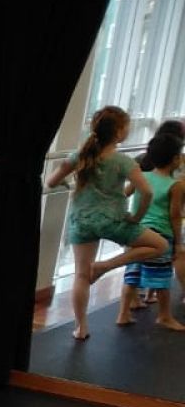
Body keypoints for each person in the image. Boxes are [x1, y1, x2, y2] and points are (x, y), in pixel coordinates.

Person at [46, 106, 169, 340]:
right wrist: (136, 218)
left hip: (82, 221)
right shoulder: (123, 161)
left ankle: (81, 328)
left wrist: (69, 185)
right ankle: (106, 266)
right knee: (160, 245)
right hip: (113, 221)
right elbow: (146, 192)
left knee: (81, 275)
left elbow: (51, 182)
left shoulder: (80, 156)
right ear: (119, 131)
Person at [116, 129, 184, 330]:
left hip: (137, 233)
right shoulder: (175, 185)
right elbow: (175, 216)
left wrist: (126, 218)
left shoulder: (142, 177)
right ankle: (164, 316)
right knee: (161, 278)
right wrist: (178, 243)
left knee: (132, 274)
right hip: (159, 236)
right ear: (175, 159)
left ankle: (123, 314)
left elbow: (122, 195)